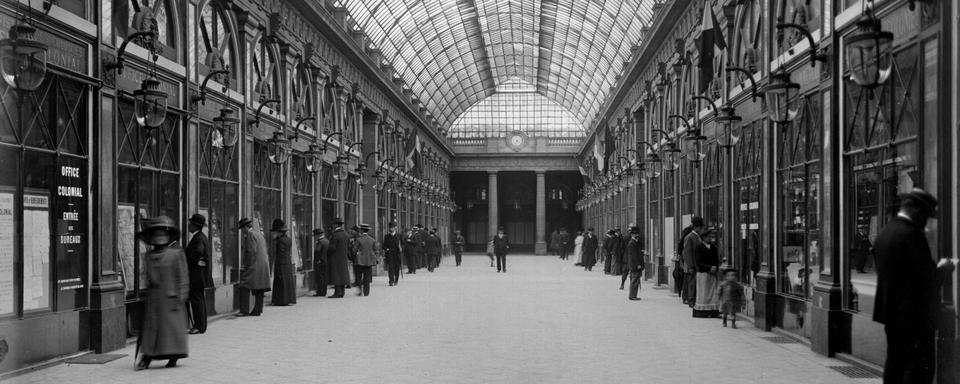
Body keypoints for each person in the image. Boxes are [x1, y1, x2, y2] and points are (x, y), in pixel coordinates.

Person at [873, 188, 955, 384]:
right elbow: (928, 279)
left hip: (892, 315)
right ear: (917, 211)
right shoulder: (911, 235)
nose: (925, 222)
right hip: (914, 317)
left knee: (895, 365)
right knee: (917, 369)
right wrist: (944, 268)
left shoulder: (886, 232)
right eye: (925, 216)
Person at [135, 216, 189, 370]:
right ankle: (146, 358)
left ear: (167, 237)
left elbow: (183, 278)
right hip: (154, 300)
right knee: (151, 331)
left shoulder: (176, 254)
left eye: (162, 235)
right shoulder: (148, 256)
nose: (159, 238)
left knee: (170, 332)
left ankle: (173, 356)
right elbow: (147, 277)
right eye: (156, 236)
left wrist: (181, 297)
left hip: (171, 300)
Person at [185, 213, 212, 334]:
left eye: (191, 224)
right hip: (200, 276)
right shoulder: (202, 236)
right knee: (199, 299)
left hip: (196, 276)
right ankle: (201, 325)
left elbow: (198, 252)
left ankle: (199, 326)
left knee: (196, 300)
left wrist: (194, 260)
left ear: (195, 226)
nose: (189, 226)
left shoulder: (198, 238)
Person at [238, 218, 270, 316]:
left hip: (255, 264)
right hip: (263, 264)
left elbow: (251, 251)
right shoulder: (258, 234)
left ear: (245, 227)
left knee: (243, 285)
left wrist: (246, 265)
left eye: (242, 228)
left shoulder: (250, 235)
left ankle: (244, 310)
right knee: (259, 288)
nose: (242, 231)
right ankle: (257, 309)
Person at [692, 227, 721, 318]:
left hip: (712, 274)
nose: (710, 238)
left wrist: (715, 267)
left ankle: (713, 311)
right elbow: (698, 262)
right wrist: (708, 268)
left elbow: (716, 259)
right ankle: (702, 312)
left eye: (711, 237)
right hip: (703, 273)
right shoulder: (699, 247)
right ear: (704, 237)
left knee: (713, 292)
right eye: (709, 237)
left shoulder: (713, 247)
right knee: (704, 293)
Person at [270, 219, 296, 306]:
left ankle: (281, 300)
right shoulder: (288, 239)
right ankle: (287, 299)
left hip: (281, 264)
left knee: (281, 282)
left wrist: (276, 265)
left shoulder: (280, 241)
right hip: (287, 263)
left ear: (279, 232)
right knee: (287, 282)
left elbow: (280, 254)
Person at [680, 217, 705, 306]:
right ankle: (691, 300)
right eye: (700, 227)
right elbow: (687, 252)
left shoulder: (697, 236)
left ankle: (689, 298)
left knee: (691, 282)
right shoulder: (690, 237)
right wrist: (690, 266)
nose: (701, 229)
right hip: (692, 264)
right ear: (695, 227)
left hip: (695, 264)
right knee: (691, 283)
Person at [326, 217, 352, 298]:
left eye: (333, 224)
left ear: (336, 225)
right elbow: (348, 246)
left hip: (335, 258)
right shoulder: (346, 234)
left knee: (336, 274)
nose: (332, 226)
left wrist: (328, 252)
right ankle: (342, 292)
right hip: (343, 257)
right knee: (342, 274)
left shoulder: (335, 235)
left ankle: (337, 292)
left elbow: (332, 248)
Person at [354, 224, 379, 296]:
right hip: (369, 261)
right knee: (367, 277)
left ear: (361, 230)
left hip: (360, 261)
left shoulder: (358, 239)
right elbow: (376, 250)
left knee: (358, 276)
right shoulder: (372, 240)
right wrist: (375, 259)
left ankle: (359, 291)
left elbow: (354, 249)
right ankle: (366, 292)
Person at [674, 223, 694, 300]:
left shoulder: (685, 236)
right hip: (685, 258)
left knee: (685, 276)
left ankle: (685, 296)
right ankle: (686, 296)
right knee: (687, 277)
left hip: (683, 257)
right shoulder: (689, 236)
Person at [625, 226, 644, 301]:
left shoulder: (634, 242)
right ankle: (632, 296)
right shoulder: (632, 243)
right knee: (635, 280)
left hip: (634, 265)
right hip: (635, 265)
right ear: (633, 235)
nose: (637, 236)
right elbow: (634, 256)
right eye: (636, 234)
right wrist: (638, 264)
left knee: (634, 280)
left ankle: (633, 295)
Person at [312, 228, 329, 296]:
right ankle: (324, 291)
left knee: (319, 277)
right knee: (324, 276)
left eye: (315, 235)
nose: (314, 237)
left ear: (317, 235)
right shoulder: (327, 241)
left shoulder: (320, 242)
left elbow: (317, 252)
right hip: (326, 261)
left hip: (319, 261)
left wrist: (317, 260)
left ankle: (320, 292)